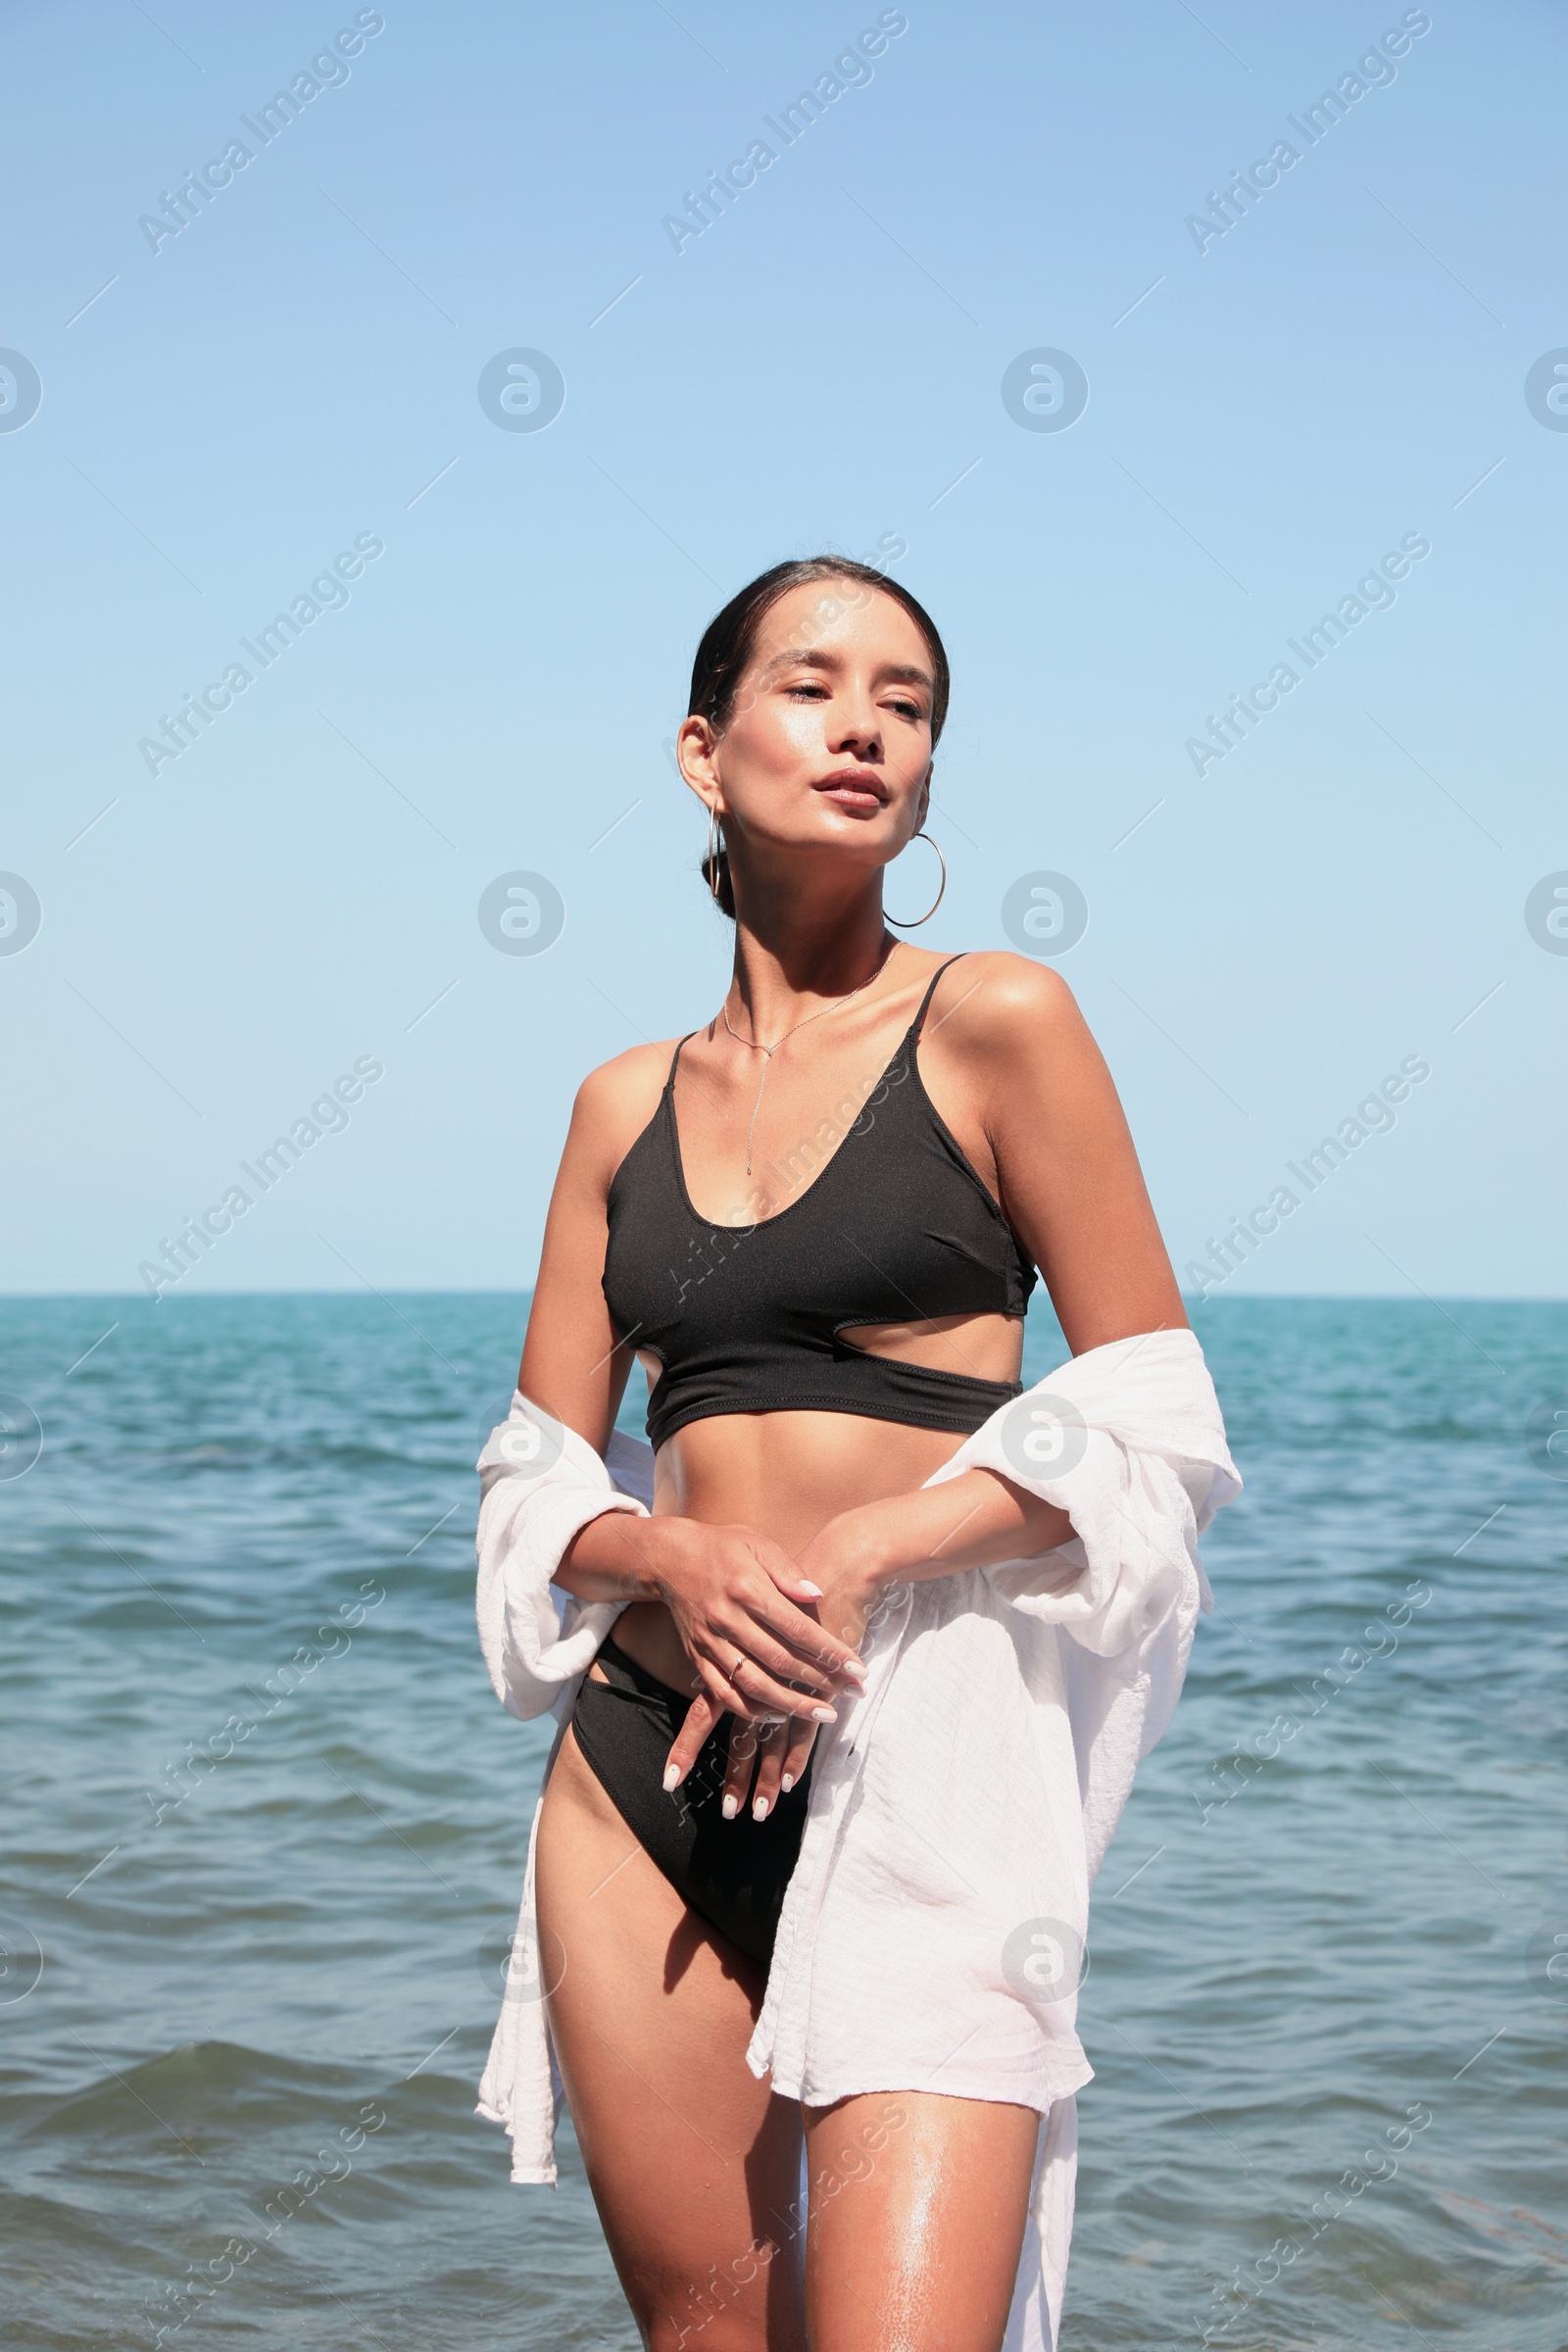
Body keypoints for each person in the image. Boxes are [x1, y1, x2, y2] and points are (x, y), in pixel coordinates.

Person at [474, 557, 1239, 2351]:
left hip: (924, 1758)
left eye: (907, 703)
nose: (867, 726)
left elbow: (1157, 1425)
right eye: (816, 684)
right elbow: (533, 1482)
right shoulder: (617, 1106)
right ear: (700, 745)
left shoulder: (1000, 1024)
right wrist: (663, 1556)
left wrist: (873, 1552)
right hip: (640, 1782)